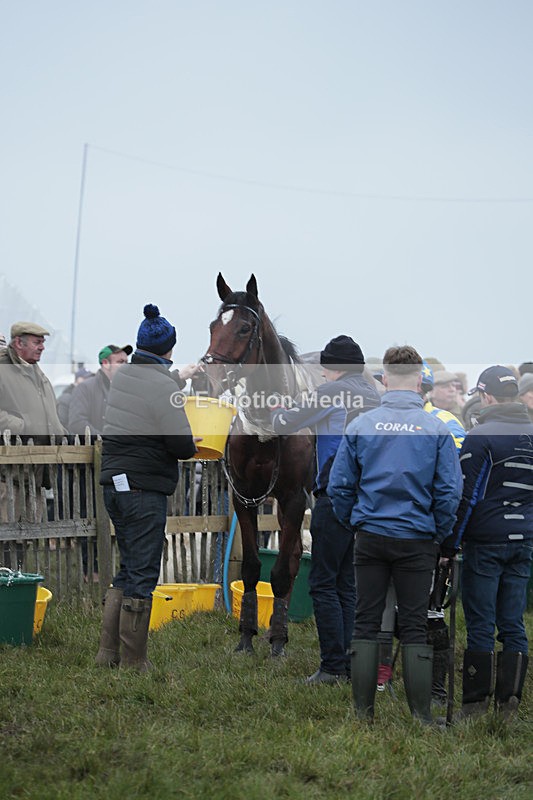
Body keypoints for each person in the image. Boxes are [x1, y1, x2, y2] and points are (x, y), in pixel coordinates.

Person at [328, 345, 462, 724]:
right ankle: (421, 716)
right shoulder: (436, 428)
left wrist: (355, 521)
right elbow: (450, 491)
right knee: (415, 624)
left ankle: (363, 713)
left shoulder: (360, 425)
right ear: (420, 380)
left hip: (371, 534)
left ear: (384, 379)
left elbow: (339, 486)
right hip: (417, 537)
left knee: (366, 621)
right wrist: (438, 530)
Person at [270, 335, 381, 685]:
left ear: (330, 369)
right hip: (367, 498)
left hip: (335, 495)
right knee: (346, 583)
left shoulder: (331, 392)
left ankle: (332, 666)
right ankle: (349, 662)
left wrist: (276, 407)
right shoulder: (372, 394)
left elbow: (283, 424)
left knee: (322, 583)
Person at [95, 304, 200, 671]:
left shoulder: (124, 375)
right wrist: (193, 441)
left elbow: (154, 388)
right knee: (142, 573)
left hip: (116, 485)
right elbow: (181, 445)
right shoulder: (161, 385)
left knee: (127, 568)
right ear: (169, 349)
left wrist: (177, 377)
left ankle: (108, 653)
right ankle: (134, 661)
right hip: (143, 489)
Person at [440, 366, 533, 720]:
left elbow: (466, 498)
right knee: (513, 621)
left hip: (486, 540)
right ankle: (510, 702)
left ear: (486, 396)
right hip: (523, 539)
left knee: (481, 622)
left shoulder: (480, 436)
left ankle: (475, 704)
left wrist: (449, 545)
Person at [376, 361, 465, 704]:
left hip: (384, 529)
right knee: (424, 612)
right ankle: (431, 691)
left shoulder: (378, 420)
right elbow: (457, 487)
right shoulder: (446, 423)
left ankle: (398, 685)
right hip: (424, 532)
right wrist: (447, 536)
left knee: (394, 609)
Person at [0, 322, 65, 518]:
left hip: (35, 472)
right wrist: (25, 425)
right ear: (19, 343)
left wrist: (60, 432)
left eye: (42, 342)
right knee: (7, 535)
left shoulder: (36, 372)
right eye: (37, 342)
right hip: (9, 472)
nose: (42, 347)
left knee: (28, 537)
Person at [68, 345, 133, 437]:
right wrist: (104, 439)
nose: (125, 366)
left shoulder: (126, 389)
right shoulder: (84, 388)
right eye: (120, 362)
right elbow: (77, 423)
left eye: (127, 362)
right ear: (105, 363)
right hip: (95, 449)